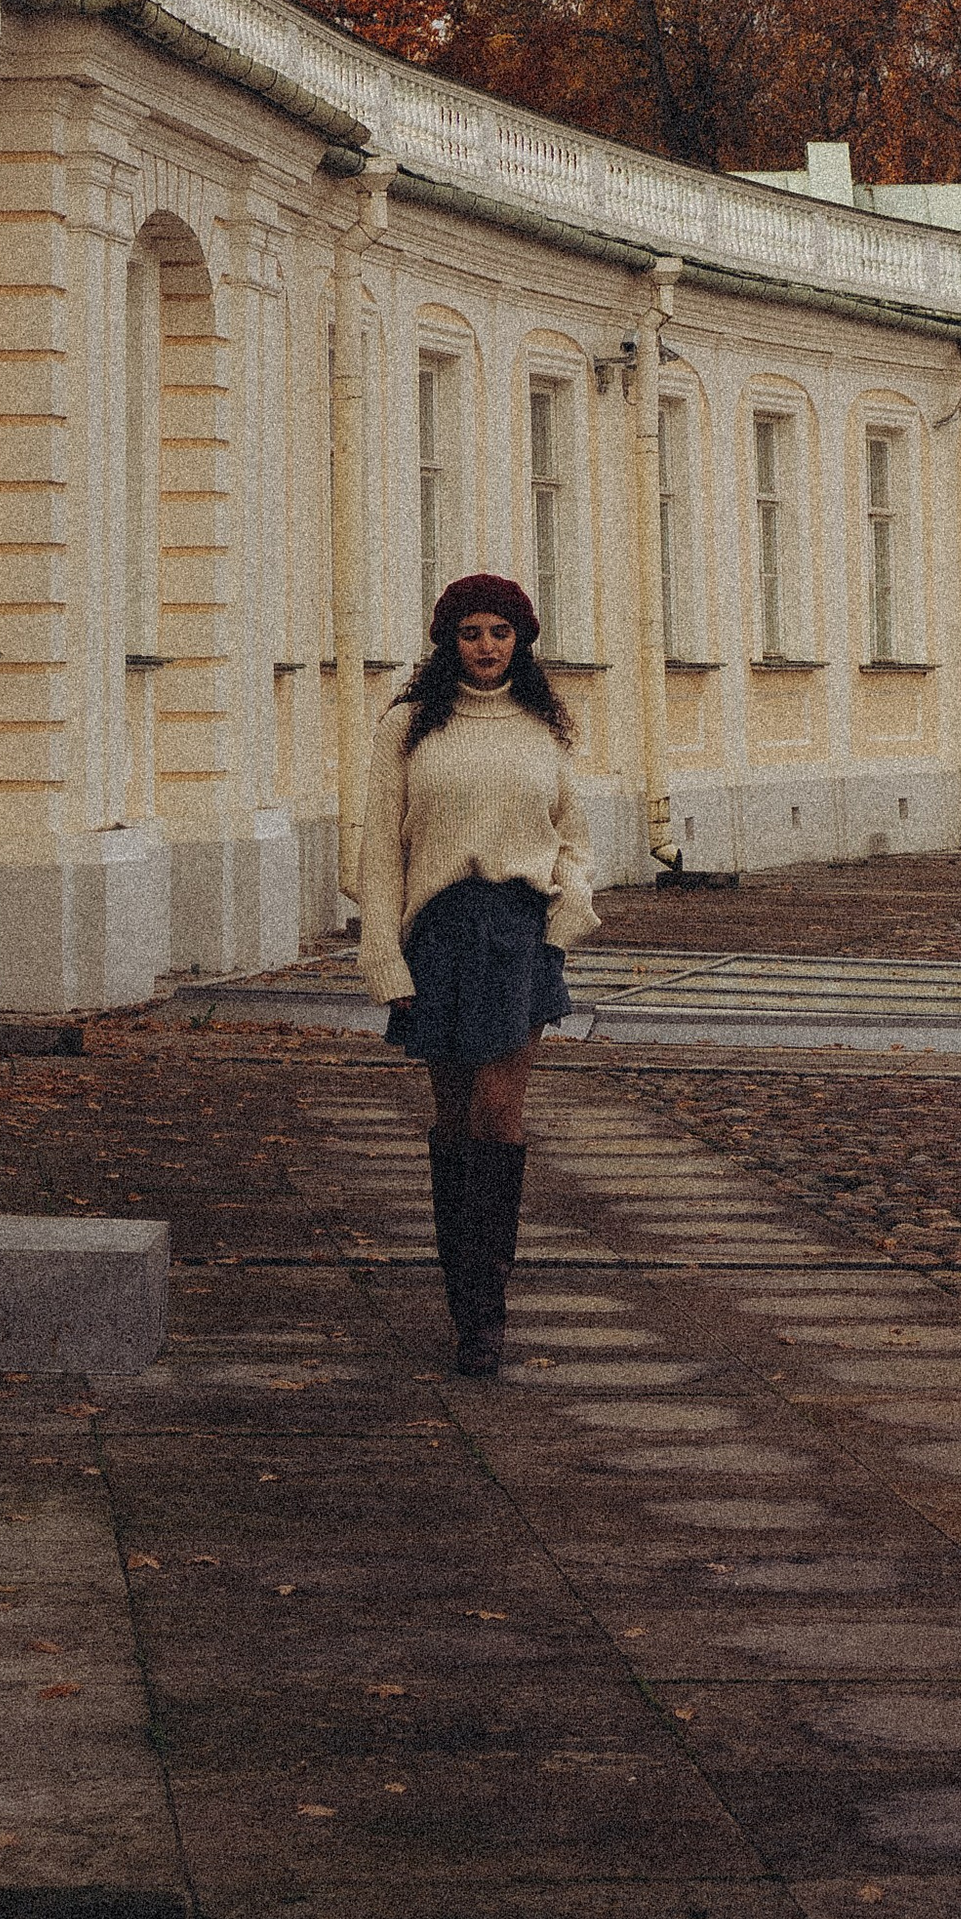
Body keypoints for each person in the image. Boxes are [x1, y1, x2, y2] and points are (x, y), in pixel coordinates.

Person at [359, 571, 598, 1376]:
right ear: (448, 642)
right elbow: (378, 848)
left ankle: (488, 1316)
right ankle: (464, 1302)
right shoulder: (407, 727)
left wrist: (566, 915)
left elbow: (574, 837)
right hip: (439, 932)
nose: (486, 647)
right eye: (471, 633)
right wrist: (384, 956)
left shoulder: (543, 727)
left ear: (521, 641)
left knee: (499, 1113)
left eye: (500, 632)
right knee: (456, 1117)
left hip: (520, 934)